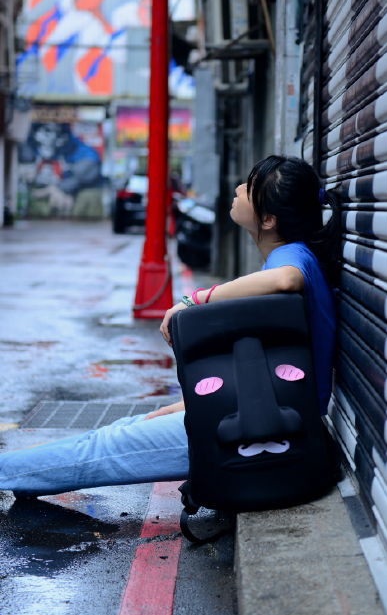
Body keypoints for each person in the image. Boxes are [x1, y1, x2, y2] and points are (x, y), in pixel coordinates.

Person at [0, 156, 341, 499]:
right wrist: (185, 405)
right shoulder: (291, 253)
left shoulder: (291, 257)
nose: (238, 189)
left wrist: (197, 298)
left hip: (259, 431)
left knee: (103, 447)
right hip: (253, 415)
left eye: (249, 187)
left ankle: (11, 472)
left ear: (268, 219)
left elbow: (287, 279)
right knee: (120, 431)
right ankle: (24, 477)